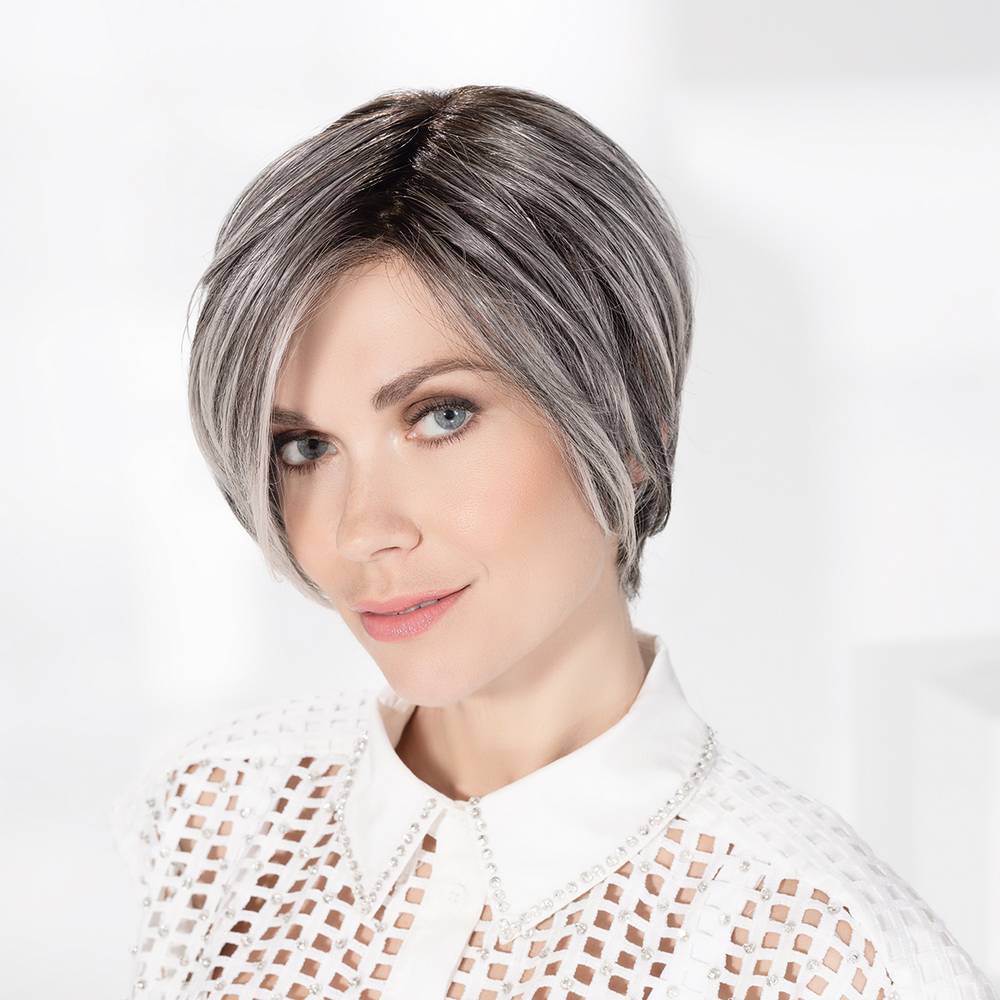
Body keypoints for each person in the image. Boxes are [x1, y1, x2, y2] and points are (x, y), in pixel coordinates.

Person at [110, 84, 995, 999]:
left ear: (627, 420)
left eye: (441, 416)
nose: (362, 529)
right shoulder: (218, 815)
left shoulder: (821, 950)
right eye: (305, 447)